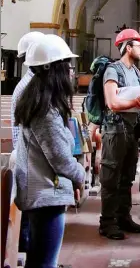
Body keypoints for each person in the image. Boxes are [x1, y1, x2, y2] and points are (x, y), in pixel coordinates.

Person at [14, 35, 85, 268]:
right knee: (45, 262)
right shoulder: (44, 109)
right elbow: (60, 158)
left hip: (43, 191)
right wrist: (79, 175)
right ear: (53, 69)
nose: (71, 72)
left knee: (41, 258)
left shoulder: (40, 100)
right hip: (46, 194)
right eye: (67, 66)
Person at [99, 28, 140, 240]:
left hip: (132, 129)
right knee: (111, 176)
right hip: (115, 129)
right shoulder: (113, 70)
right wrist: (135, 103)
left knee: (127, 177)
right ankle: (107, 222)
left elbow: (134, 100)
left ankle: (123, 216)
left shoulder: (136, 72)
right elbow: (112, 103)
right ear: (128, 48)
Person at [10, 31, 45, 253]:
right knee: (29, 219)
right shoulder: (29, 88)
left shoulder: (32, 84)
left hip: (27, 157)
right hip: (28, 159)